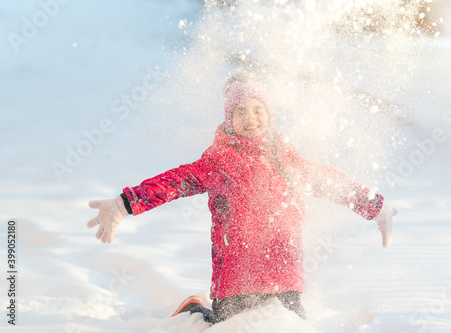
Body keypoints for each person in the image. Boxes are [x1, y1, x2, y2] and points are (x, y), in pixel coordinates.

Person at [87, 73, 397, 324]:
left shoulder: (287, 161)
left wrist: (375, 207)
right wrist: (123, 204)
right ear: (229, 117)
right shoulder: (218, 160)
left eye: (258, 109)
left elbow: (330, 182)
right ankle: (194, 310)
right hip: (235, 278)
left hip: (284, 276)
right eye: (241, 111)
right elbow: (174, 182)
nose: (251, 118)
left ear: (269, 115)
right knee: (224, 328)